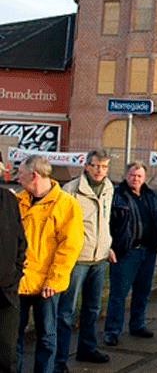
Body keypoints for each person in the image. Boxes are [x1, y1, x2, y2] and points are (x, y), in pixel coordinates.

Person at [16, 155, 84, 373]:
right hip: (19, 281)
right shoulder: (18, 201)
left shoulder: (66, 205)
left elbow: (70, 247)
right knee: (13, 335)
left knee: (46, 335)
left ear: (34, 175)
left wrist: (54, 280)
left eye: (20, 174)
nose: (17, 178)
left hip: (47, 285)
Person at [56, 150, 115, 370]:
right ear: (87, 166)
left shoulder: (109, 188)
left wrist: (108, 246)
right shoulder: (71, 190)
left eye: (104, 166)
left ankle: (87, 348)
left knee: (93, 308)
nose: (100, 170)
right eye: (96, 166)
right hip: (77, 259)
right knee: (66, 311)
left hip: (100, 258)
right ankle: (59, 359)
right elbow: (61, 224)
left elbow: (105, 221)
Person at [105, 162, 157, 347]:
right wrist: (111, 246)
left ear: (145, 178)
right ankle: (112, 331)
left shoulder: (152, 196)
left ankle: (138, 324)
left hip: (148, 251)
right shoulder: (117, 195)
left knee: (143, 291)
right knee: (119, 294)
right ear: (126, 176)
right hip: (126, 252)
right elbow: (108, 222)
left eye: (139, 176)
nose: (136, 179)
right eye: (132, 175)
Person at [1, 187, 26, 372]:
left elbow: (20, 241)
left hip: (6, 291)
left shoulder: (8, 199)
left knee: (7, 353)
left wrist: (14, 275)